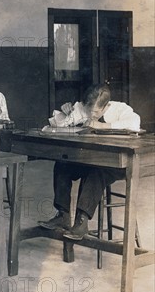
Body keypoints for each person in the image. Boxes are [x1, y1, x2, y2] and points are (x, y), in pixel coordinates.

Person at [38, 83, 141, 240]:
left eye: (96, 112)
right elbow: (57, 124)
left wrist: (102, 125)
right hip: (90, 159)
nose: (91, 114)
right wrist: (64, 114)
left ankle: (81, 221)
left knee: (96, 171)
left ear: (106, 106)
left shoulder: (121, 109)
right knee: (62, 165)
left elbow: (135, 123)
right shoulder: (81, 108)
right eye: (88, 110)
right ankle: (63, 215)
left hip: (116, 163)